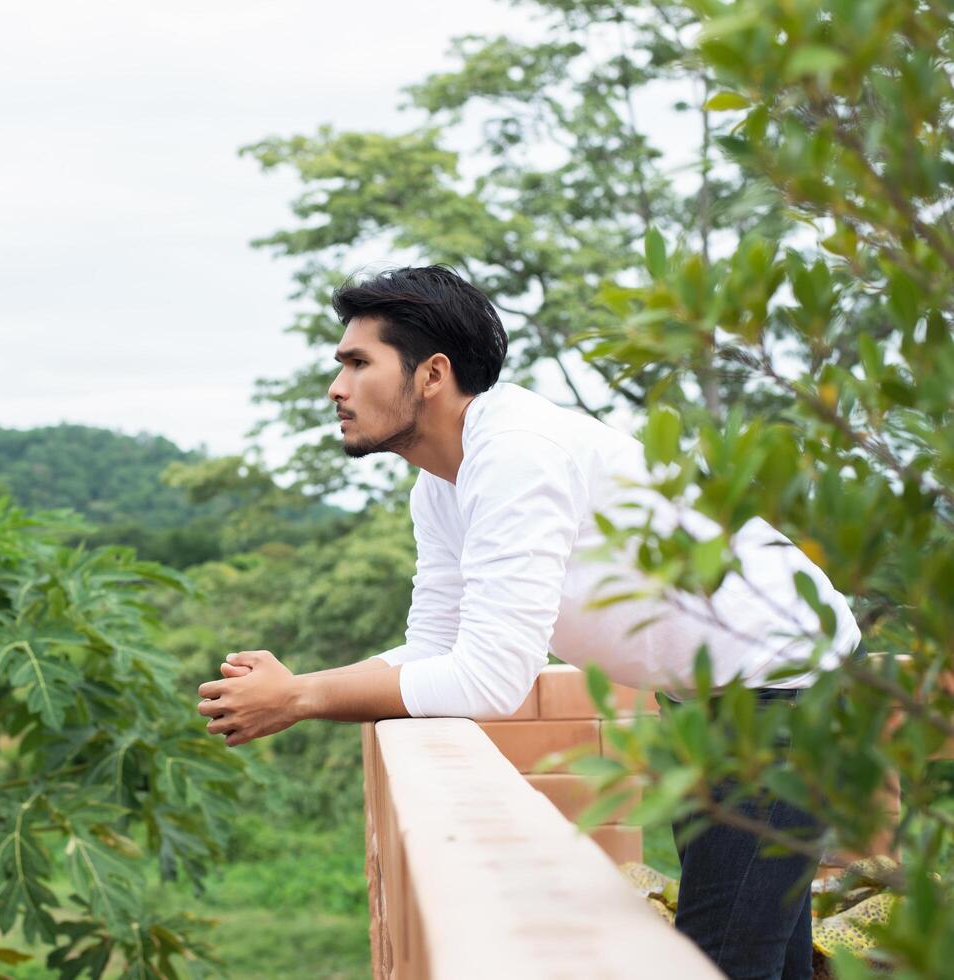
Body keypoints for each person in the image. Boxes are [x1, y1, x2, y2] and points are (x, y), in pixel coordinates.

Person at [193, 265, 861, 979]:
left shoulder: (516, 454)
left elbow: (490, 678)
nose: (337, 387)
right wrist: (300, 688)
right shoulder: (442, 486)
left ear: (431, 375)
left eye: (358, 363)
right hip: (716, 697)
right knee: (762, 955)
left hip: (782, 686)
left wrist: (302, 698)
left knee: (722, 959)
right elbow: (436, 647)